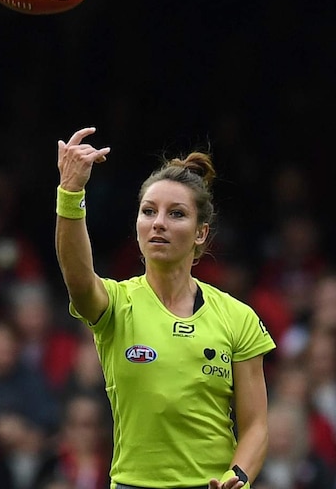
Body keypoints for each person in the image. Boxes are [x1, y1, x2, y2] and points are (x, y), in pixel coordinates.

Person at [54, 127, 276, 489]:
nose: (158, 222)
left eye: (176, 214)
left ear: (201, 233)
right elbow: (77, 278)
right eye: (148, 211)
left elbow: (256, 426)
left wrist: (238, 477)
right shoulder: (116, 304)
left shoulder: (238, 317)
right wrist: (71, 192)